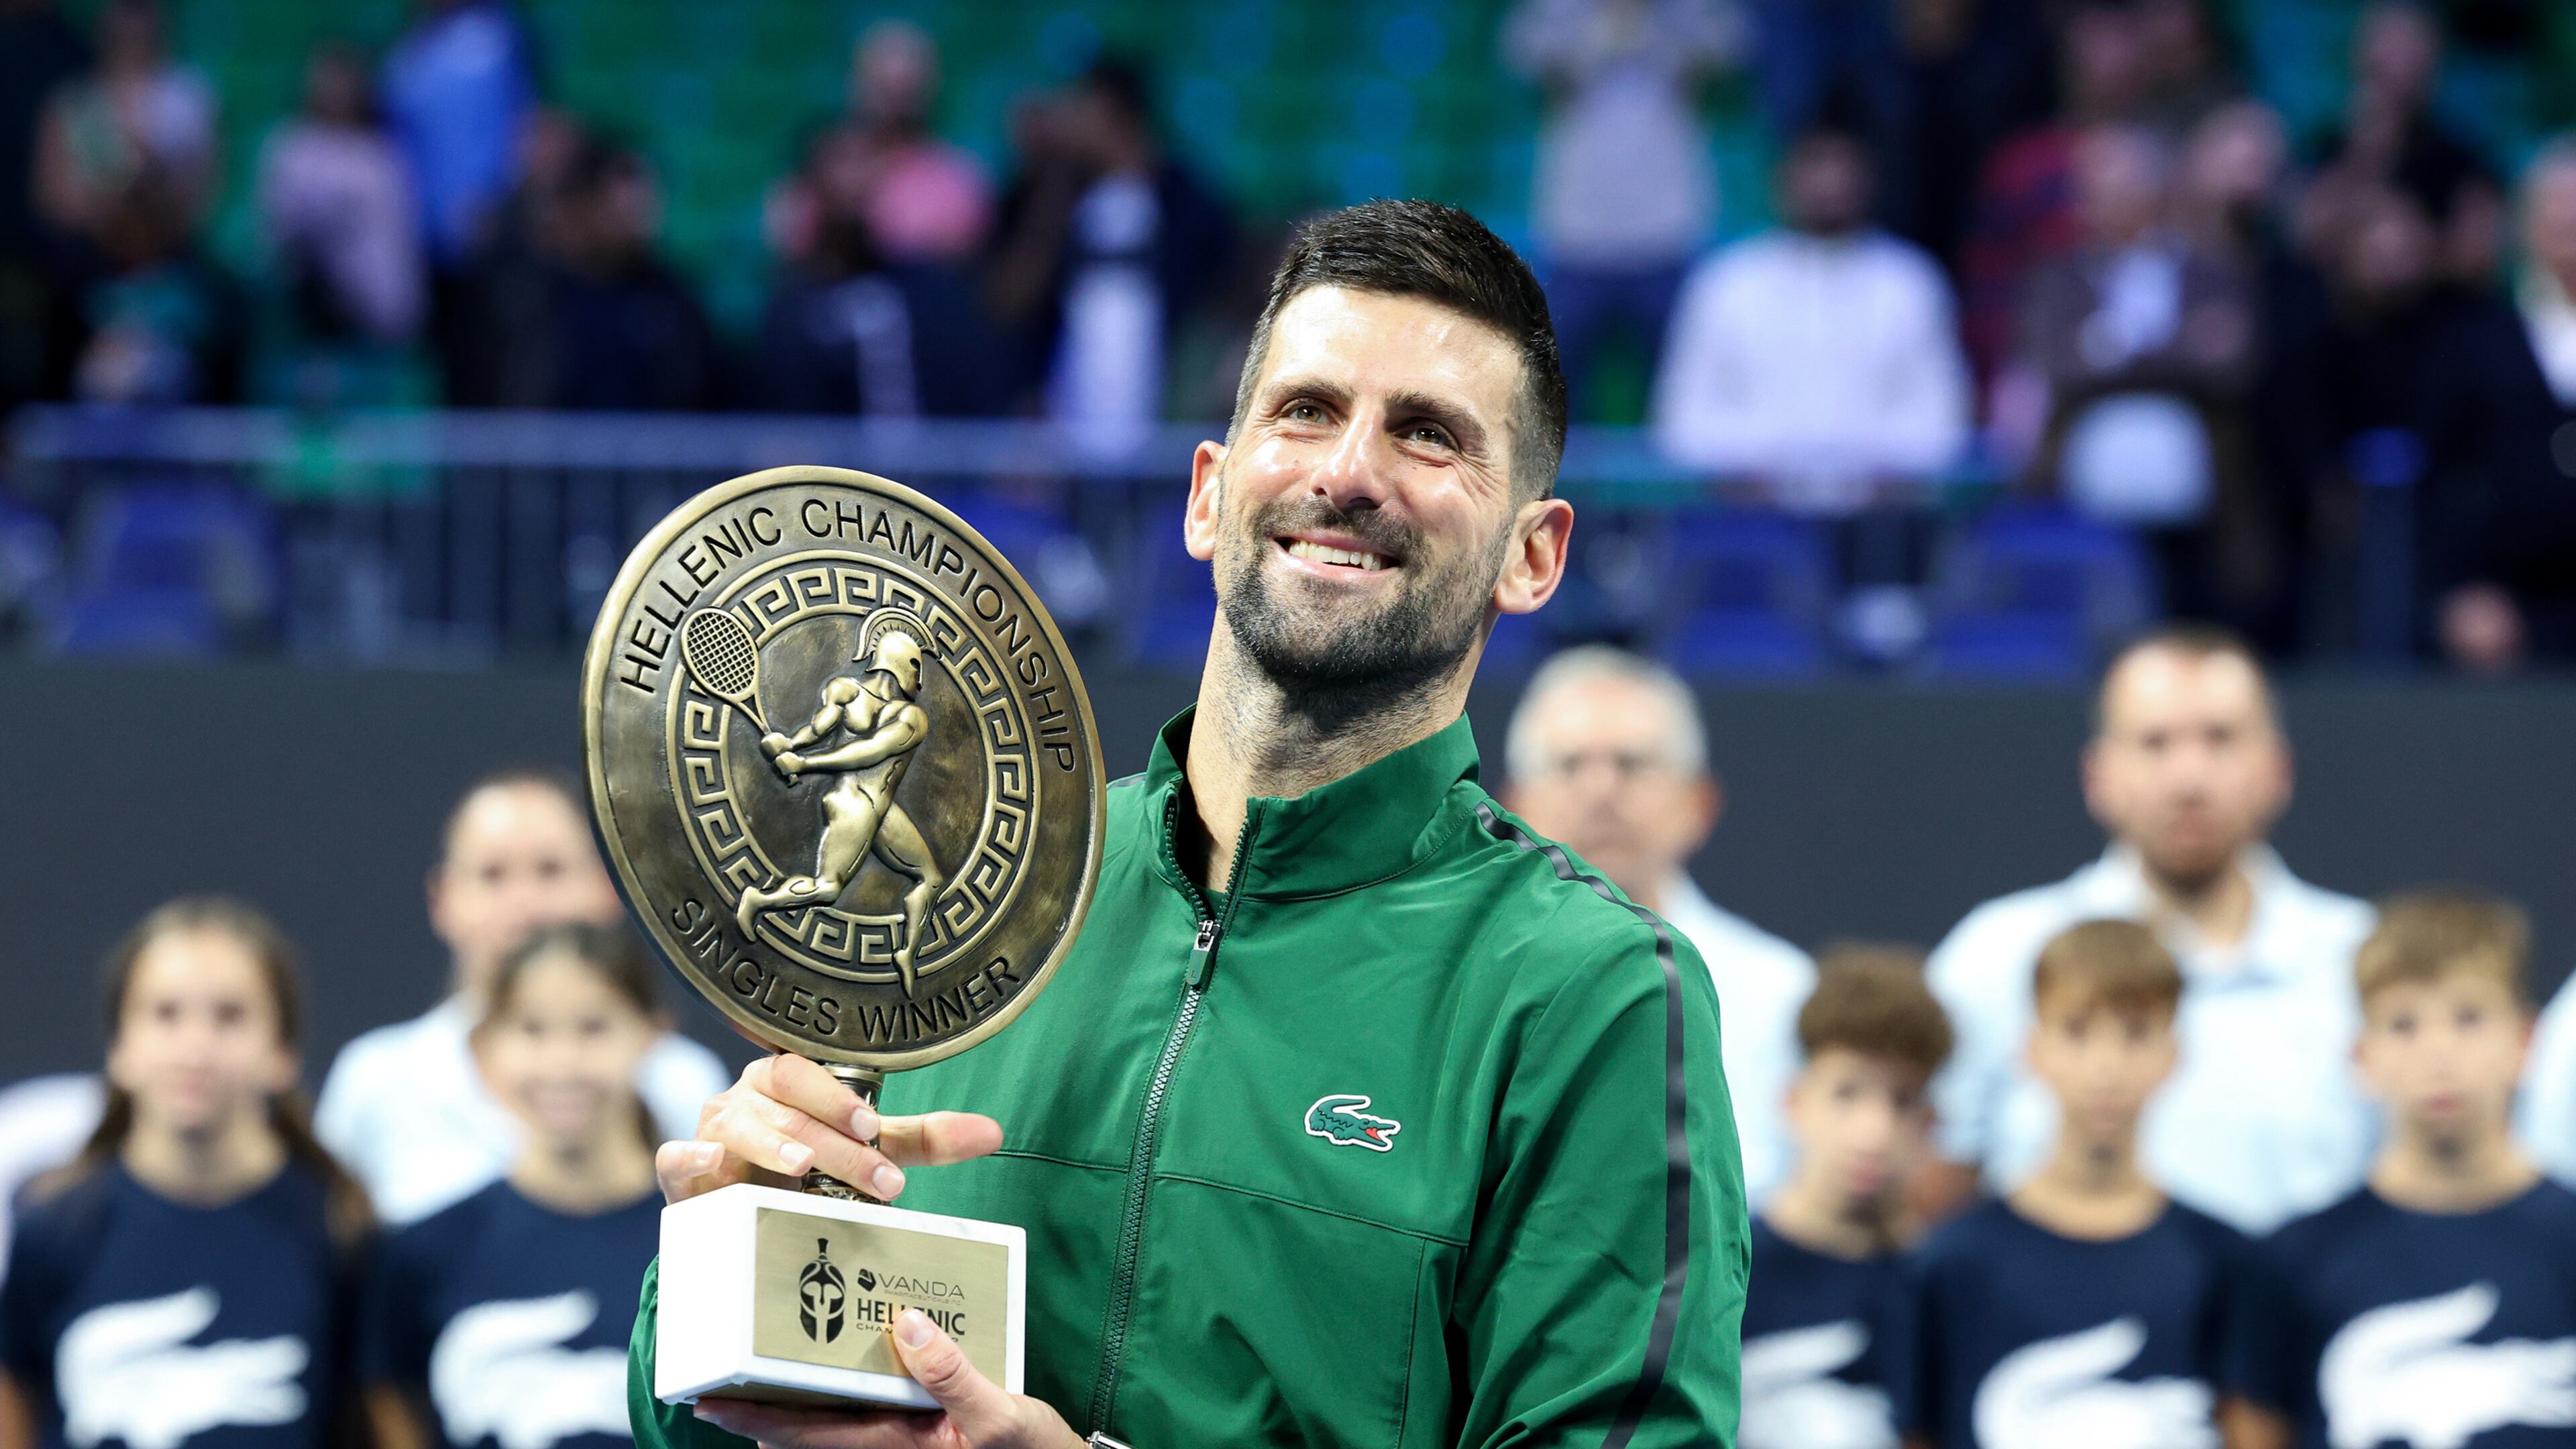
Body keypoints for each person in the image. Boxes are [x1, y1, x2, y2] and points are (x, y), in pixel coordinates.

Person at [630, 199, 1745, 1448]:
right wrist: (721, 1263)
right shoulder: (967, 901)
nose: (1347, 471)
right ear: (1210, 494)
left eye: (1428, 435)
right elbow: (710, 1421)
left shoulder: (1589, 994)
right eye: (1307, 410)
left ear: (1531, 558)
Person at [1922, 627, 2376, 1235]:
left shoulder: (2362, 958)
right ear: (2098, 776)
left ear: (2279, 769)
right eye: (2155, 743)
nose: (2189, 778)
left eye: (2220, 739)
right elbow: (1931, 1191)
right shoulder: (1999, 954)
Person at [0, 898, 369, 1449]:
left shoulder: (339, 1231)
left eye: (229, 1016)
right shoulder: (53, 1230)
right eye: (166, 1014)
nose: (195, 1048)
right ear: (119, 1049)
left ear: (284, 1054)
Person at [1893, 920, 2261, 1449]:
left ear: (2174, 1054)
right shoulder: (1952, 1263)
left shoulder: (2223, 1262)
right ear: (2031, 1048)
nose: (2106, 1067)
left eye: (2136, 1032)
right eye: (2077, 1030)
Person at [316, 769, 727, 1227]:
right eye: (492, 875)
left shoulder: (685, 1084)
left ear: (607, 888)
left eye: (550, 870)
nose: (525, 906)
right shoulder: (375, 1083)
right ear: (441, 900)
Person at [2241, 892, 2576, 1449]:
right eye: (2404, 1025)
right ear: (2361, 1058)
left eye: (2469, 1018)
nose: (2438, 1054)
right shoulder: (2295, 1260)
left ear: (2525, 1042)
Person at [1502, 644, 1813, 1205]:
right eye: (1570, 765)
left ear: (1698, 803)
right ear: (1514, 805)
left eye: (1632, 764)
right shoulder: (1465, 978)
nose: (1601, 792)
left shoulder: (1784, 993)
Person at [361, 925, 664, 1449]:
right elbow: (386, 1399)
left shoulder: (703, 1239)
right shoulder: (425, 1250)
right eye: (532, 1028)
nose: (562, 1063)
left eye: (593, 1027)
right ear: (487, 1047)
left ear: (651, 1034)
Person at [1653, 121, 1971, 512]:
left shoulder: (1910, 282)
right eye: (1814, 166)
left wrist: (1866, 479)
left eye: (1841, 168)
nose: (1828, 184)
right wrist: (1759, 472)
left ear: (1868, 180)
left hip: (1885, 520)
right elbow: (1683, 419)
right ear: (1781, 180)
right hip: (1747, 514)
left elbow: (1941, 418)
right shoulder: (1727, 282)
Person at [1739, 947, 1951, 1449]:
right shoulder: (1721, 1269)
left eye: (1901, 1100)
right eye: (1847, 1092)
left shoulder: (1944, 1287)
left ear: (1929, 1125)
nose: (1872, 1132)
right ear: (1793, 1101)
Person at [1501, 0, 1744, 420]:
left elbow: (1732, 45)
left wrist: (1654, 25)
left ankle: (1682, 487)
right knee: (1557, 393)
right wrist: (1602, 30)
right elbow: (1520, 55)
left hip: (1666, 231)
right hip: (1579, 233)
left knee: (1685, 391)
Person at [984, 60, 1237, 453]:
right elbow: (1010, 299)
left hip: (1161, 418)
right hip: (1061, 422)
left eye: (1080, 106)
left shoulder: (1184, 198)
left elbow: (1220, 301)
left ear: (1113, 112)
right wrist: (1055, 183)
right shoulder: (1046, 193)